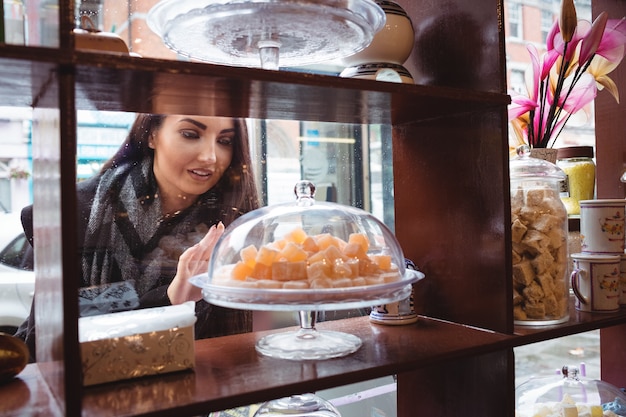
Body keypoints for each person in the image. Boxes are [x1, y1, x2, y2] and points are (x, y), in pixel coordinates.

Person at [15, 113, 260, 361]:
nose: (210, 156)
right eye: (190, 134)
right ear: (152, 134)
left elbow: (239, 345)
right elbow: (45, 340)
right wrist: (170, 298)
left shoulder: (236, 227)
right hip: (87, 390)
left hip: (200, 388)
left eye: (225, 141)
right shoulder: (73, 212)